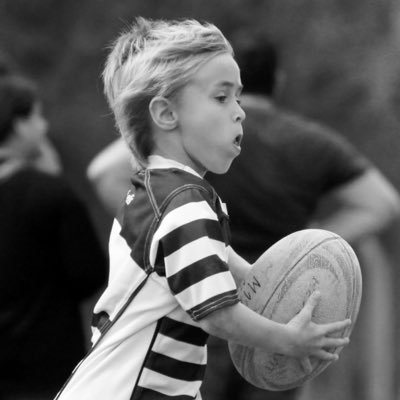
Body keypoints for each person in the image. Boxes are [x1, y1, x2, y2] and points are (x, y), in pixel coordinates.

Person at [86, 37, 400, 400]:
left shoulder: (159, 189)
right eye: (222, 98)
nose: (240, 111)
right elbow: (218, 315)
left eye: (238, 96)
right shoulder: (181, 203)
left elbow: (231, 261)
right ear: (166, 114)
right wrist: (290, 340)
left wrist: (282, 278)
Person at [202, 42, 400, 400]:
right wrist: (305, 251)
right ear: (278, 81)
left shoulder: (201, 135)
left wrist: (166, 233)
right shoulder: (309, 141)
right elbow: (382, 204)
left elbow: (108, 173)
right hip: (283, 314)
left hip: (209, 296)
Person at [0, 74, 108, 400]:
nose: (43, 126)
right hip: (48, 364)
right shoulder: (51, 193)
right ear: (18, 124)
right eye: (36, 116)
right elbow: (89, 274)